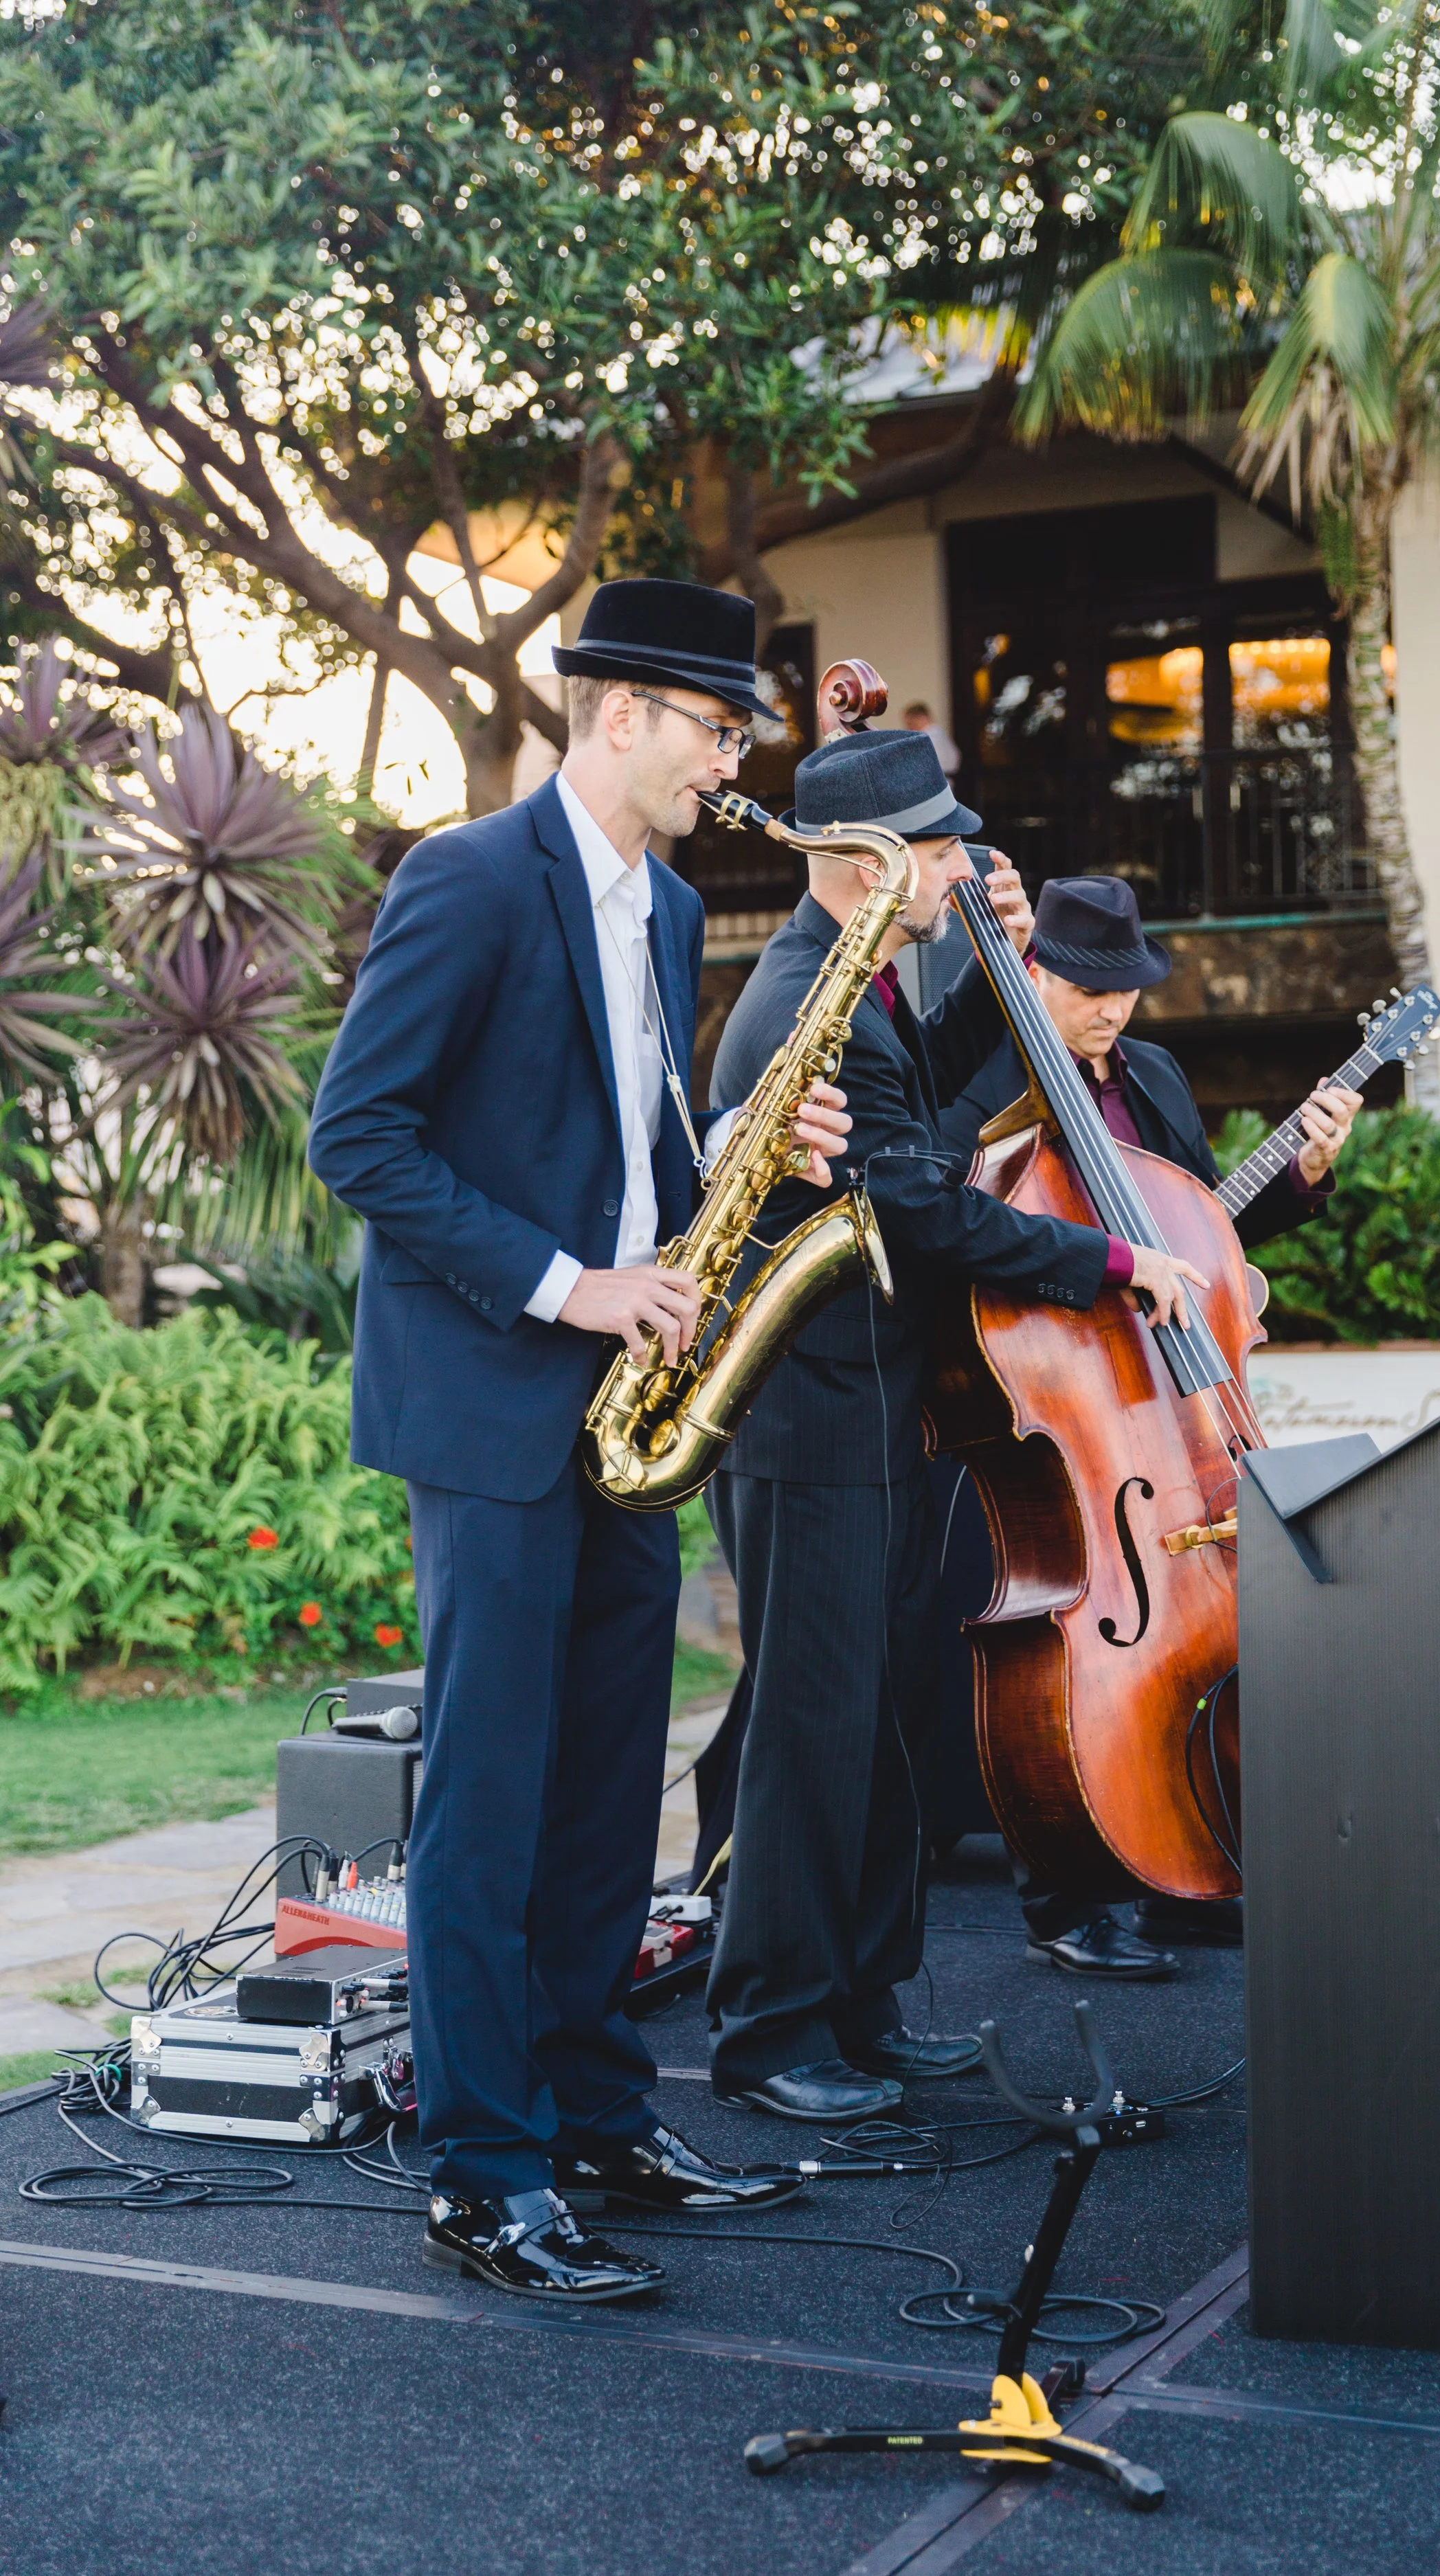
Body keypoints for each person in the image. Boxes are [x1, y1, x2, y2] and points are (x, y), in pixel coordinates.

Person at [308, 577, 853, 2303]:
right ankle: (484, 2171)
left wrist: (756, 1147)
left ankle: (598, 2115)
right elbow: (358, 1137)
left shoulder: (668, 904)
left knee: (613, 1780)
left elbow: (630, 1150)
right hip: (494, 1400)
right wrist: (570, 1289)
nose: (731, 764)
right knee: (489, 1798)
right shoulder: (466, 878)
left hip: (625, 1408)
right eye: (715, 730)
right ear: (619, 713)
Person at [702, 734, 1206, 2122]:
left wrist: (1001, 972)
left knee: (877, 1728)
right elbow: (923, 1206)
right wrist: (1111, 1263)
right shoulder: (802, 996)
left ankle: (858, 2009)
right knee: (809, 1733)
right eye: (934, 849)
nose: (957, 869)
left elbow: (926, 1102)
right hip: (805, 1415)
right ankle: (767, 2032)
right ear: (862, 860)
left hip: (870, 1407)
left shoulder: (861, 986)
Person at [938, 872, 1360, 1972]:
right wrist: (1107, 1266)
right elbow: (962, 1232)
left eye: (1126, 988)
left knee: (1219, 1626)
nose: (1111, 1009)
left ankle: (1192, 1857)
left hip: (1166, 1414)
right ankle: (1067, 1891)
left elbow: (1201, 1226)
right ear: (1034, 971)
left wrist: (1305, 1173)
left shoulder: (1156, 1074)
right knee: (1069, 1639)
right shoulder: (985, 1078)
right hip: (1056, 1398)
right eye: (1088, 988)